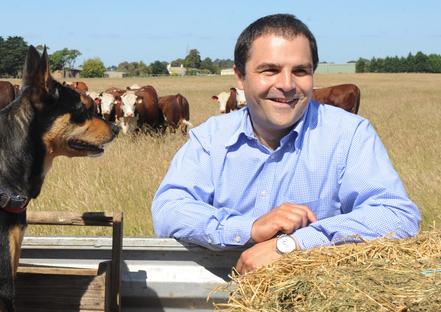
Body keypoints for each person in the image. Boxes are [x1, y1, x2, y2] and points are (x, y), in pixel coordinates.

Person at [151, 14, 420, 274]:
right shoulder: (211, 138)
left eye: (301, 71)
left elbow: (396, 215)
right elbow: (169, 209)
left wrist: (295, 244)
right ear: (240, 77)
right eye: (270, 70)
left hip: (319, 308)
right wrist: (250, 228)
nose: (287, 84)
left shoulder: (349, 135)